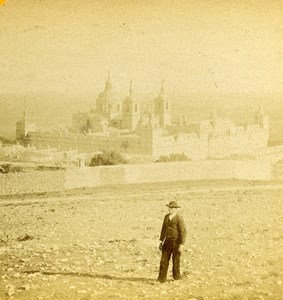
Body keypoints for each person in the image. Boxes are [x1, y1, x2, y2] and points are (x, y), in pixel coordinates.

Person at [157, 200, 187, 283]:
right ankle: (161, 278)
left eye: (172, 208)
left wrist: (182, 244)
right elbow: (163, 229)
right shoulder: (166, 217)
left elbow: (183, 231)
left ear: (176, 209)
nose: (170, 210)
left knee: (176, 260)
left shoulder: (179, 218)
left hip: (176, 241)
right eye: (170, 208)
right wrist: (161, 241)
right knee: (164, 260)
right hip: (167, 240)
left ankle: (176, 277)